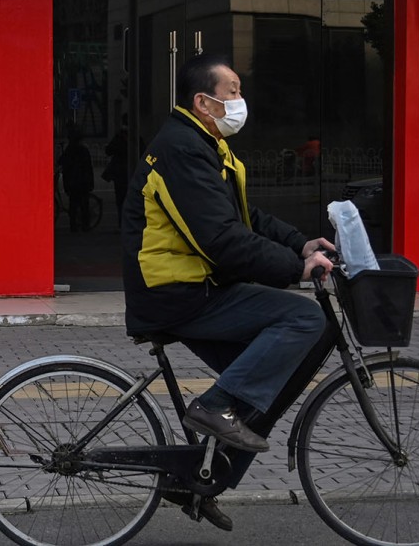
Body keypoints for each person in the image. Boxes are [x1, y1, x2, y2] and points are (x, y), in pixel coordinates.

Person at [120, 53, 333, 532]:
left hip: (194, 287)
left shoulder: (205, 146)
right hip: (177, 291)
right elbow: (222, 239)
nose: (241, 101)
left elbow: (244, 216)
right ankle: (213, 407)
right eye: (233, 91)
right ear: (204, 101)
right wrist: (296, 270)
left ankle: (201, 479)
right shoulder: (182, 149)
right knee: (303, 320)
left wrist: (300, 242)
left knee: (272, 384)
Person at [59, 129, 95, 232]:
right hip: (83, 182)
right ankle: (85, 225)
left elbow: (61, 161)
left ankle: (73, 225)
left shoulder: (69, 150)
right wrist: (91, 182)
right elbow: (88, 167)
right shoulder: (83, 150)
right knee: (84, 205)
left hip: (72, 182)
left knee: (73, 204)